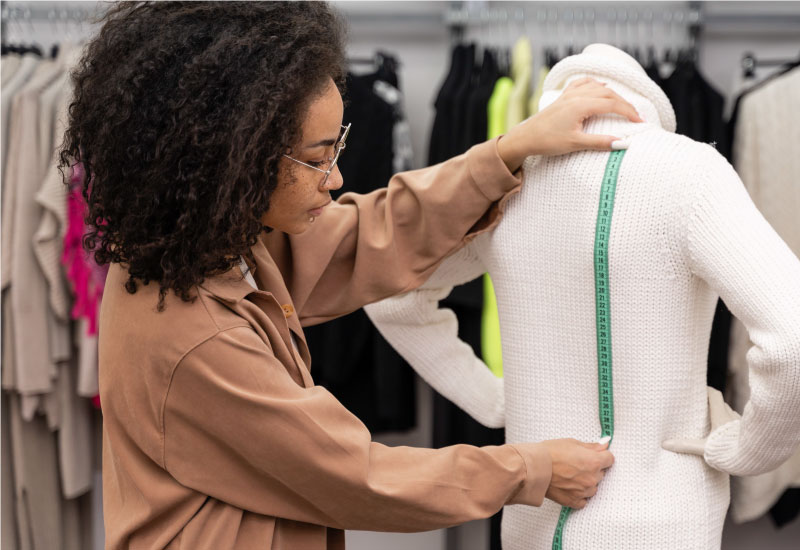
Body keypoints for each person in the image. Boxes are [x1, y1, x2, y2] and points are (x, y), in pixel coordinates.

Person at [58, 4, 644, 549]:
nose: (334, 179)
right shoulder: (195, 332)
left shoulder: (212, 245)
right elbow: (356, 475)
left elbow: (366, 235)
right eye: (314, 160)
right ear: (230, 156)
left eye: (335, 150)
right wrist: (533, 468)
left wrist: (508, 152)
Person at [365, 44, 800, 549]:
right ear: (650, 103)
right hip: (667, 525)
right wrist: (747, 451)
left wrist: (494, 401)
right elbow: (793, 336)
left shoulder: (507, 179)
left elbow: (391, 293)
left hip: (535, 518)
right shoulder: (690, 173)